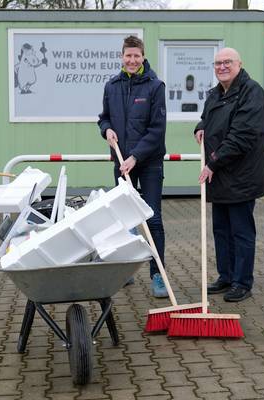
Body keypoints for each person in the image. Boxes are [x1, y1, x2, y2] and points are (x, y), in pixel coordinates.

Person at [194, 47, 264, 302]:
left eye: (227, 62)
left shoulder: (252, 92)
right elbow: (207, 118)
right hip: (221, 176)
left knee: (241, 232)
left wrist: (212, 164)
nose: (222, 67)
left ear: (239, 64)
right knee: (222, 231)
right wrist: (200, 127)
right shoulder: (216, 93)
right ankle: (225, 276)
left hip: (241, 176)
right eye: (217, 63)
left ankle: (242, 282)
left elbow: (242, 136)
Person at [98, 35, 168, 298]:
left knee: (153, 219)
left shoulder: (155, 86)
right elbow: (103, 118)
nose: (132, 60)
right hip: (121, 162)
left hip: (148, 163)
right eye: (128, 55)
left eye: (136, 55)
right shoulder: (112, 86)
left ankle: (158, 274)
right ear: (122, 57)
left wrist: (136, 156)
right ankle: (125, 270)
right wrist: (106, 130)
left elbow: (157, 129)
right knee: (123, 219)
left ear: (142, 56)